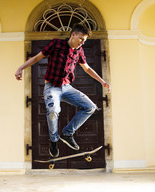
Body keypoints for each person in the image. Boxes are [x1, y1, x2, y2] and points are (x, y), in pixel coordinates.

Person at [15, 23, 110, 158]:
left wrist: (102, 81)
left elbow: (87, 68)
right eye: (81, 39)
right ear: (73, 34)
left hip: (67, 88)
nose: (82, 43)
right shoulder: (56, 44)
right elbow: (37, 57)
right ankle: (53, 140)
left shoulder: (79, 51)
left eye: (84, 41)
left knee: (90, 107)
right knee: (53, 111)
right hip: (52, 87)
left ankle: (68, 133)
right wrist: (20, 68)